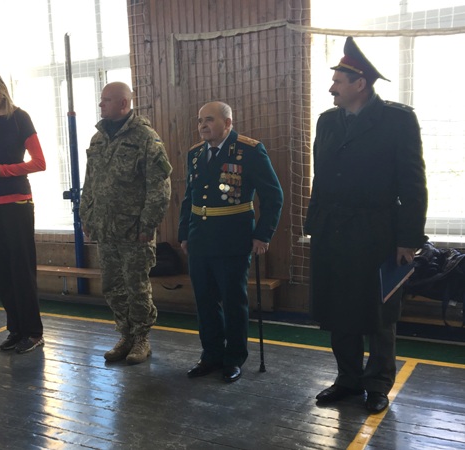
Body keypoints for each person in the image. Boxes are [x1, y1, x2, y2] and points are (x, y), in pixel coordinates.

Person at [304, 37, 428, 413]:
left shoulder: (398, 120)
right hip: (333, 231)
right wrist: (314, 226)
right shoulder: (327, 121)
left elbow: (413, 183)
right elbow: (321, 179)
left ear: (360, 83)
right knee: (338, 308)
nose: (331, 88)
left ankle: (377, 383)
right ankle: (347, 378)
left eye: (337, 81)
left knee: (379, 313)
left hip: (378, 233)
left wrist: (408, 239)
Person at [178, 101, 283, 382]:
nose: (203, 125)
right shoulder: (196, 154)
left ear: (227, 123)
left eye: (209, 120)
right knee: (205, 301)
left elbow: (273, 196)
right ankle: (211, 354)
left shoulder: (249, 150)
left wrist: (262, 234)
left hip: (232, 239)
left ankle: (234, 357)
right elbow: (189, 197)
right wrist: (184, 233)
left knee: (233, 301)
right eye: (200, 120)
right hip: (200, 238)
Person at [80, 82, 172, 365]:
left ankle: (142, 338)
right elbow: (90, 182)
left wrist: (147, 225)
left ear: (123, 104)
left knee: (137, 287)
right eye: (101, 100)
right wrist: (86, 216)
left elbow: (159, 186)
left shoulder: (145, 137)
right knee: (112, 286)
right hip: (105, 228)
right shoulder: (98, 139)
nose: (101, 105)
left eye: (106, 100)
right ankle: (125, 334)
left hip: (134, 231)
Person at [0, 69, 47, 354]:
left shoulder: (20, 118)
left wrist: (4, 170)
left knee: (21, 267)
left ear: (1, 88)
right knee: (3, 268)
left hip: (16, 199)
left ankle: (33, 332)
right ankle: (15, 329)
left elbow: (39, 162)